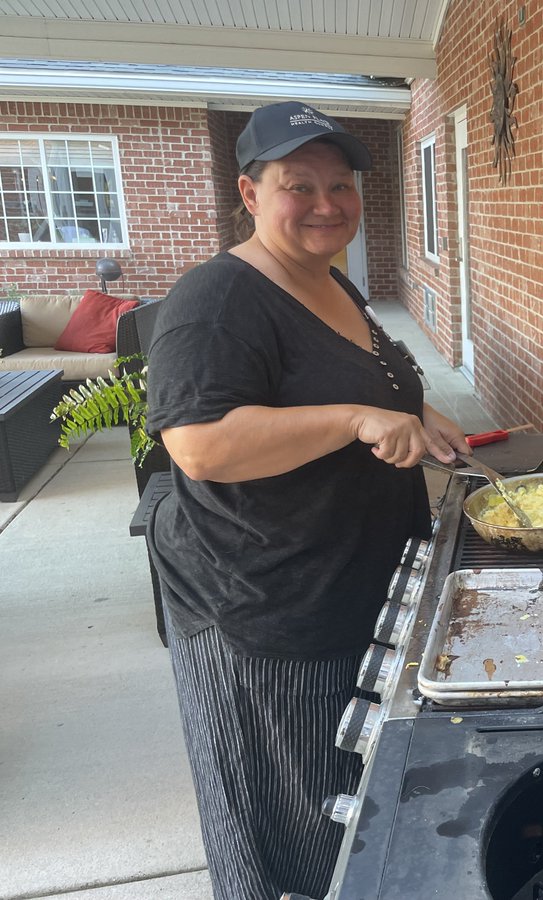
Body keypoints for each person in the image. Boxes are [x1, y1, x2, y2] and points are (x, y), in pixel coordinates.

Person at [145, 101, 470, 899]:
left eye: (341, 184)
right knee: (283, 824)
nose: (327, 204)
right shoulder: (219, 300)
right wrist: (356, 420)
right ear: (251, 195)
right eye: (300, 185)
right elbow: (199, 443)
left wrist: (431, 423)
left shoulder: (332, 286)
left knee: (346, 807)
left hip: (350, 582)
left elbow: (370, 381)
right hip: (268, 609)